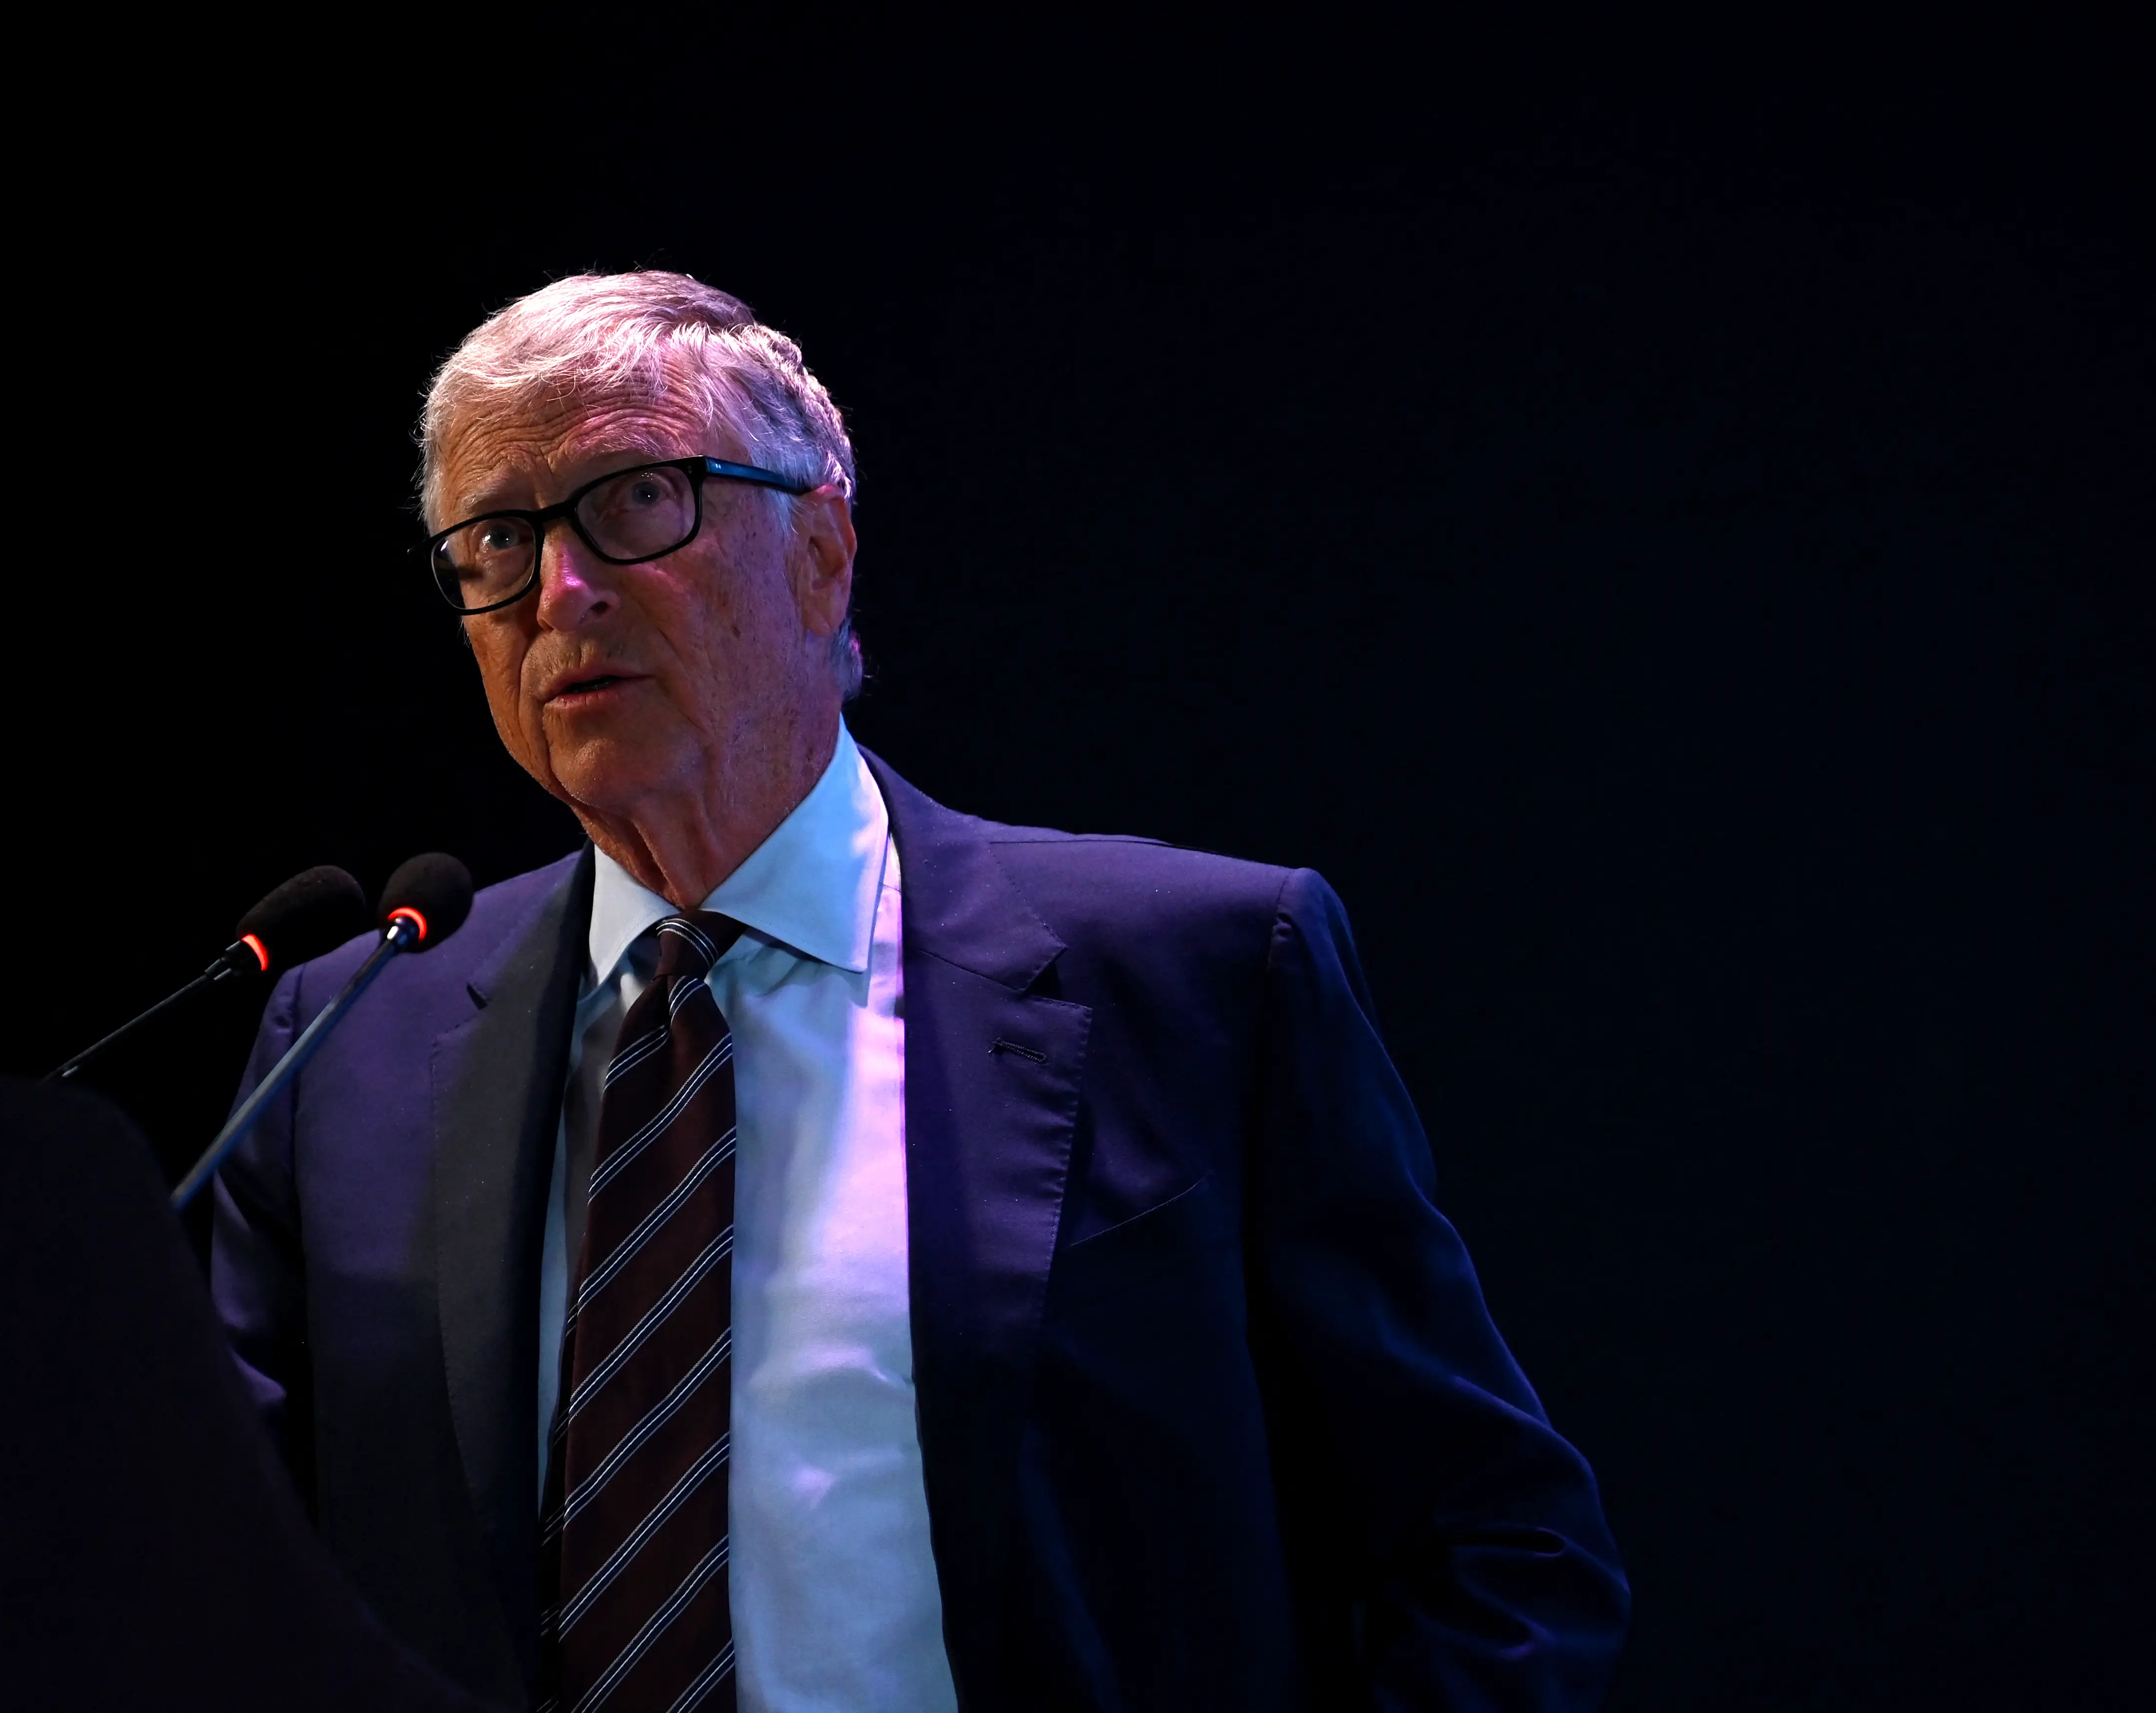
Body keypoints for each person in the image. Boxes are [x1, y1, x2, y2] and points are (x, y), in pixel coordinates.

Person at [213, 271, 1628, 1713]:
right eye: (498, 541)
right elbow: (210, 1587)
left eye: (635, 502)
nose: (558, 591)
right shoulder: (346, 1044)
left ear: (821, 555)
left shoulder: (1199, 974)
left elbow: (1499, 1549)